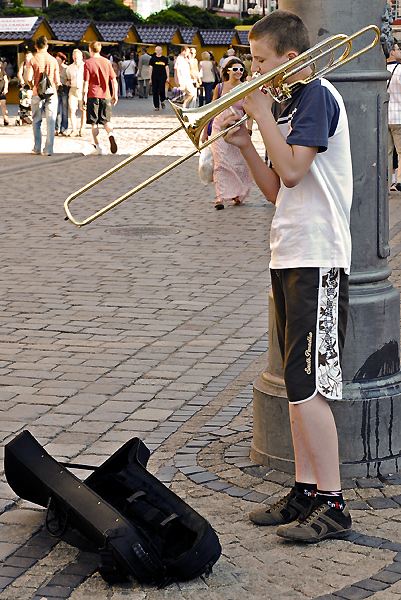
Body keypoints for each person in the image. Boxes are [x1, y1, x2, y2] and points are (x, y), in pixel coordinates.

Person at [223, 10, 353, 542]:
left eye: (259, 60)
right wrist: (246, 143)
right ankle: (304, 490)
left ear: (289, 57)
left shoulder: (317, 94)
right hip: (290, 251)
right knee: (298, 384)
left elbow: (297, 169)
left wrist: (261, 116)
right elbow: (279, 190)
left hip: (319, 254)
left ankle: (334, 502)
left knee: (308, 386)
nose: (252, 70)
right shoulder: (289, 101)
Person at [201, 58, 253, 210]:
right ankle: (220, 197)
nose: (239, 72)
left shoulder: (246, 87)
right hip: (218, 127)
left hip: (237, 128)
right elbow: (213, 109)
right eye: (235, 69)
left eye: (241, 70)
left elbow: (249, 111)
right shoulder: (220, 87)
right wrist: (205, 131)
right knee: (220, 162)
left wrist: (249, 129)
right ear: (228, 71)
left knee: (239, 163)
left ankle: (239, 193)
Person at [82, 41, 118, 155]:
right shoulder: (107, 62)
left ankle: (98, 146)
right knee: (106, 121)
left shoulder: (88, 63)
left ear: (90, 49)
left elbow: (86, 82)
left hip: (93, 95)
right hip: (105, 95)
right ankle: (111, 134)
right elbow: (113, 80)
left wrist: (83, 97)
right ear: (100, 49)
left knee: (94, 123)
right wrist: (115, 94)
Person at [26, 36, 60, 155]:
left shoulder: (33, 60)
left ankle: (37, 148)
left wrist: (32, 85)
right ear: (47, 46)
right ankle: (49, 149)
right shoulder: (53, 60)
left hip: (36, 93)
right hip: (51, 93)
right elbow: (57, 80)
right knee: (51, 121)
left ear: (36, 46)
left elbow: (28, 77)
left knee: (36, 121)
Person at [387, 40, 401, 192]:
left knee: (387, 152)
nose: (399, 52)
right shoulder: (400, 70)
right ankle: (399, 181)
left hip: (386, 116)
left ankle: (388, 182)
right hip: (399, 116)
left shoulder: (381, 68)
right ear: (391, 52)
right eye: (397, 49)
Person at [66, 48, 84, 137]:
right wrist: (67, 82)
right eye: (75, 58)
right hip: (73, 89)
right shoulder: (69, 68)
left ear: (81, 57)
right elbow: (69, 79)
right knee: (72, 110)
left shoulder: (85, 66)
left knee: (83, 110)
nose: (76, 60)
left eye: (78, 58)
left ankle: (82, 129)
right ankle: (74, 129)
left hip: (83, 90)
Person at [149, 46, 169, 111]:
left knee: (162, 90)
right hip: (154, 76)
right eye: (157, 50)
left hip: (162, 76)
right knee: (155, 91)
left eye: (159, 50)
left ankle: (162, 101)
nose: (158, 51)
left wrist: (168, 77)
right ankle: (156, 106)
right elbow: (150, 68)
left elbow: (167, 68)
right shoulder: (152, 59)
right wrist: (150, 78)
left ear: (161, 51)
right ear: (155, 51)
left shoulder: (164, 59)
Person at [55, 52, 69, 136]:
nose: (57, 61)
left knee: (64, 110)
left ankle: (64, 129)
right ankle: (57, 128)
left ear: (63, 60)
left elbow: (70, 78)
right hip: (56, 90)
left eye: (58, 60)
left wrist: (68, 82)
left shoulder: (67, 69)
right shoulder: (54, 68)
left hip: (64, 89)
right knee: (57, 110)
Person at [0, 59, 9, 126]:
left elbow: (6, 81)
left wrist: (6, 88)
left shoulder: (3, 72)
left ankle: (5, 118)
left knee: (3, 104)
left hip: (1, 91)